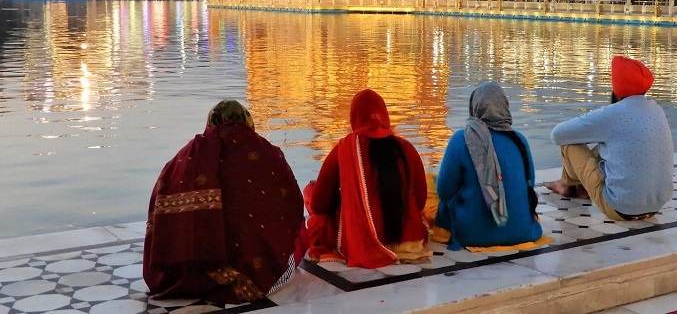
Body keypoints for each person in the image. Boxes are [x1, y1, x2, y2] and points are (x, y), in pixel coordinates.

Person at [143, 100, 305, 303]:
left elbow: (159, 209)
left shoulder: (186, 157)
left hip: (186, 272)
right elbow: (293, 207)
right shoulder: (269, 154)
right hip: (259, 273)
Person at [304, 89, 430, 268]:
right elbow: (420, 201)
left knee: (310, 193)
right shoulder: (406, 147)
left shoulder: (344, 148)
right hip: (411, 239)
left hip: (363, 243)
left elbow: (319, 205)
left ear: (354, 117)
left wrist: (348, 198)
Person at [544, 56, 674, 221]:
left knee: (569, 145)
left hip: (619, 208)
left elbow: (558, 135)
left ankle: (568, 186)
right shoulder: (657, 110)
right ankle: (579, 187)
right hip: (655, 207)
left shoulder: (612, 113)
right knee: (610, 145)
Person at [435, 82, 543, 250]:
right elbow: (529, 183)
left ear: (474, 107)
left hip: (472, 234)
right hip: (524, 231)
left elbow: (444, 190)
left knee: (434, 190)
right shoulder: (519, 140)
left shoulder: (462, 139)